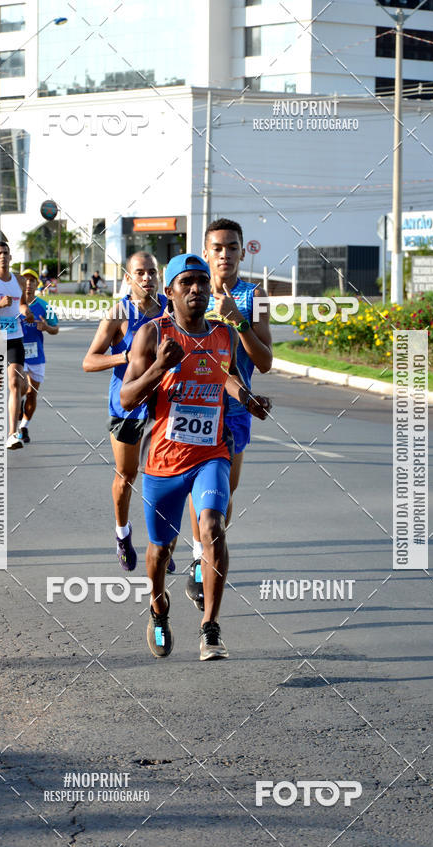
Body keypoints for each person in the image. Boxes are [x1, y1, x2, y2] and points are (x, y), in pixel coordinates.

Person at [120, 253, 271, 661]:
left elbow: (228, 377)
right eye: (186, 282)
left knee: (213, 527)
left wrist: (249, 399)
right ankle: (157, 606)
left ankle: (210, 627)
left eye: (202, 282)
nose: (196, 289)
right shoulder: (152, 335)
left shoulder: (223, 335)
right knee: (160, 551)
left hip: (212, 455)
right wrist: (158, 369)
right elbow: (127, 396)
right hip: (164, 463)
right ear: (169, 291)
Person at [186, 218, 273, 610]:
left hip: (235, 409)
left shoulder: (257, 295)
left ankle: (210, 545)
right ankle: (199, 558)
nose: (224, 254)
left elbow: (266, 361)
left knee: (224, 493)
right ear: (206, 252)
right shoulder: (191, 290)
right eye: (217, 248)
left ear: (242, 251)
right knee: (197, 489)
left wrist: (238, 319)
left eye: (231, 247)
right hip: (194, 405)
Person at [83, 252, 171, 572]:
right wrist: (126, 357)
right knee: (127, 476)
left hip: (164, 403)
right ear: (128, 278)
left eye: (151, 272)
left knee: (164, 476)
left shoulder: (169, 308)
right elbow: (89, 361)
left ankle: (161, 544)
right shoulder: (119, 312)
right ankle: (122, 534)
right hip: (127, 405)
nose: (147, 278)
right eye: (140, 273)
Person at [0, 241, 34, 449]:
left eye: (6, 253)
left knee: (14, 382)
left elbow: (21, 302)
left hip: (14, 337)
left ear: (10, 257)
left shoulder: (19, 280)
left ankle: (12, 434)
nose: (3, 256)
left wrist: (26, 311)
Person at [18, 269, 59, 443]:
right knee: (19, 387)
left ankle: (24, 426)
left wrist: (46, 327)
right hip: (16, 354)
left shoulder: (44, 306)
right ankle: (16, 412)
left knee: (32, 394)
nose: (28, 284)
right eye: (25, 280)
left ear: (36, 284)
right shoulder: (12, 305)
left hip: (36, 355)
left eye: (32, 280)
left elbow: (55, 328)